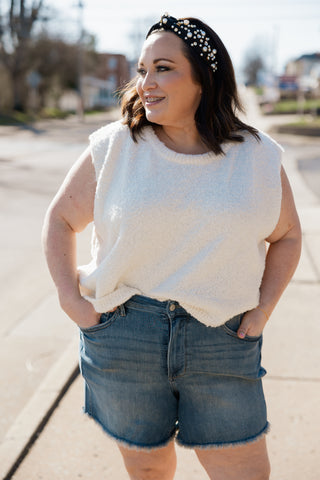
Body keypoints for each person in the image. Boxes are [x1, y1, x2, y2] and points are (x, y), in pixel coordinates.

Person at [42, 13, 301, 480]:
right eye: (142, 70)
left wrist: (262, 310)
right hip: (125, 334)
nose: (146, 82)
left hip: (222, 339)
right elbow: (60, 219)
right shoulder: (115, 146)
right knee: (148, 471)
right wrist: (71, 300)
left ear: (204, 78)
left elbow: (287, 236)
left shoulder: (258, 157)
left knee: (244, 472)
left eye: (163, 68)